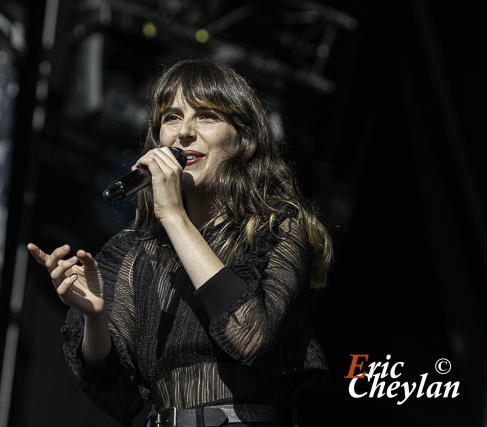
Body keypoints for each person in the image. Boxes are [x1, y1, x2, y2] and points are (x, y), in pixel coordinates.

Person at [27, 59, 332, 427]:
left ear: (242, 139)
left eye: (206, 116)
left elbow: (250, 334)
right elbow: (117, 395)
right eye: (171, 118)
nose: (184, 132)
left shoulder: (278, 226)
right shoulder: (132, 254)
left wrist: (173, 215)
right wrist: (95, 318)